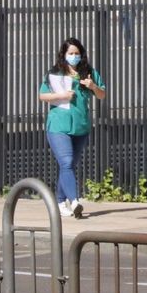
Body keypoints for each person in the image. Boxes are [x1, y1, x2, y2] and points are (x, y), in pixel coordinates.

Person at [39, 37, 106, 219]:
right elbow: (43, 95)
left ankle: (60, 201)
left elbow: (101, 95)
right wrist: (61, 95)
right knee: (67, 162)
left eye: (77, 53)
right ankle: (74, 200)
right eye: (71, 53)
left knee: (69, 165)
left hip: (80, 126)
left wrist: (93, 86)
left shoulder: (88, 72)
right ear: (64, 55)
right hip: (59, 125)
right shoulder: (55, 73)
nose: (74, 57)